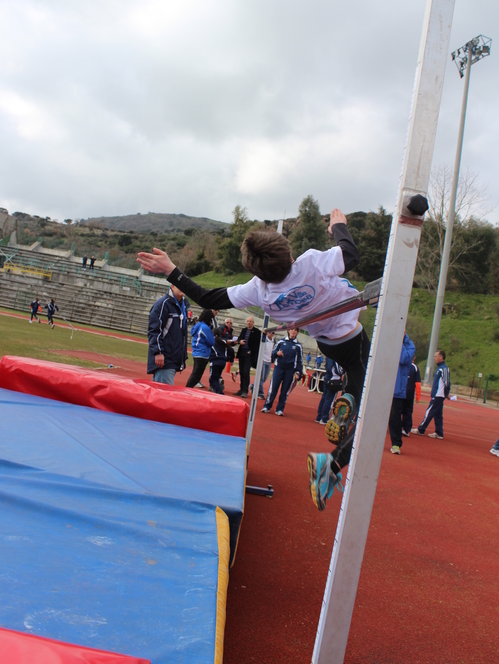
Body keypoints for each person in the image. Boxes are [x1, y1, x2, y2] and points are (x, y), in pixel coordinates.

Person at [137, 208, 368, 511]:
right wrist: (338, 226)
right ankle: (333, 457)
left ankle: (347, 405)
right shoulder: (312, 262)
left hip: (327, 344)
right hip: (352, 335)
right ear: (287, 251)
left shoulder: (258, 291)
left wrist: (171, 269)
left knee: (360, 387)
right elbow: (350, 255)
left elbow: (207, 298)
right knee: (372, 409)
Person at [147, 284, 188, 385]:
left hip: (173, 358)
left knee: (159, 394)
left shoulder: (182, 305)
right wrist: (158, 352)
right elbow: (154, 330)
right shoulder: (163, 304)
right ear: (173, 286)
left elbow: (181, 334)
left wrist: (182, 357)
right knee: (164, 396)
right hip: (165, 358)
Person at [262, 327, 303, 415]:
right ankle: (267, 406)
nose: (293, 331)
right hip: (279, 368)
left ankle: (280, 409)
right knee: (273, 388)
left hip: (290, 370)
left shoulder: (298, 346)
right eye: (292, 329)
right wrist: (277, 353)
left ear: (297, 333)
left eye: (295, 330)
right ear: (288, 330)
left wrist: (298, 372)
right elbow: (273, 353)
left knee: (285, 391)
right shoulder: (281, 342)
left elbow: (300, 361)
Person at [412, 350, 450, 439]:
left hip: (438, 395)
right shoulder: (440, 368)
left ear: (441, 357)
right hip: (438, 395)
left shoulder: (443, 369)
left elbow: (446, 383)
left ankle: (421, 429)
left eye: (435, 356)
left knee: (429, 411)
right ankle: (439, 432)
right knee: (438, 414)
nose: (434, 358)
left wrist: (446, 393)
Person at [387, 333, 415, 454]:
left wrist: (399, 343)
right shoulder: (389, 340)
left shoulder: (410, 346)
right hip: (385, 386)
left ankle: (396, 444)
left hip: (397, 389)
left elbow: (404, 359)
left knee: (395, 417)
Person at [186, 309, 215, 388]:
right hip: (203, 352)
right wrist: (214, 337)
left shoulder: (198, 325)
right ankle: (187, 389)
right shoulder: (205, 328)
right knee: (196, 375)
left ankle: (188, 388)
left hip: (197, 352)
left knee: (195, 374)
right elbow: (212, 342)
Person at [235, 316, 261, 398]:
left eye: (250, 321)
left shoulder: (257, 332)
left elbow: (257, 344)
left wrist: (251, 351)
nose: (249, 322)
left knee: (246, 372)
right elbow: (239, 338)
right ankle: (241, 389)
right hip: (242, 352)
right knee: (242, 372)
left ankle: (245, 391)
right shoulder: (244, 330)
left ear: (253, 322)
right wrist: (240, 341)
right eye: (247, 321)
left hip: (249, 355)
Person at [315, 358, 343, 425]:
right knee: (330, 399)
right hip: (333, 379)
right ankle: (324, 418)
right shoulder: (335, 355)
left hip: (327, 377)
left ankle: (319, 416)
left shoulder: (328, 355)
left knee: (324, 398)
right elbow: (339, 370)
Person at [402, 356, 421, 436]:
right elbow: (418, 383)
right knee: (408, 411)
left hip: (402, 393)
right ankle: (406, 429)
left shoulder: (403, 365)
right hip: (408, 394)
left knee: (399, 410)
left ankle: (403, 428)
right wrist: (418, 396)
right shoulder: (415, 368)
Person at [208, 328, 227, 394]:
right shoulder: (223, 341)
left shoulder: (211, 341)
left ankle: (220, 393)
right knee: (216, 377)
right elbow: (231, 350)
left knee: (212, 380)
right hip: (223, 362)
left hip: (215, 361)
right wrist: (231, 358)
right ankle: (219, 383)